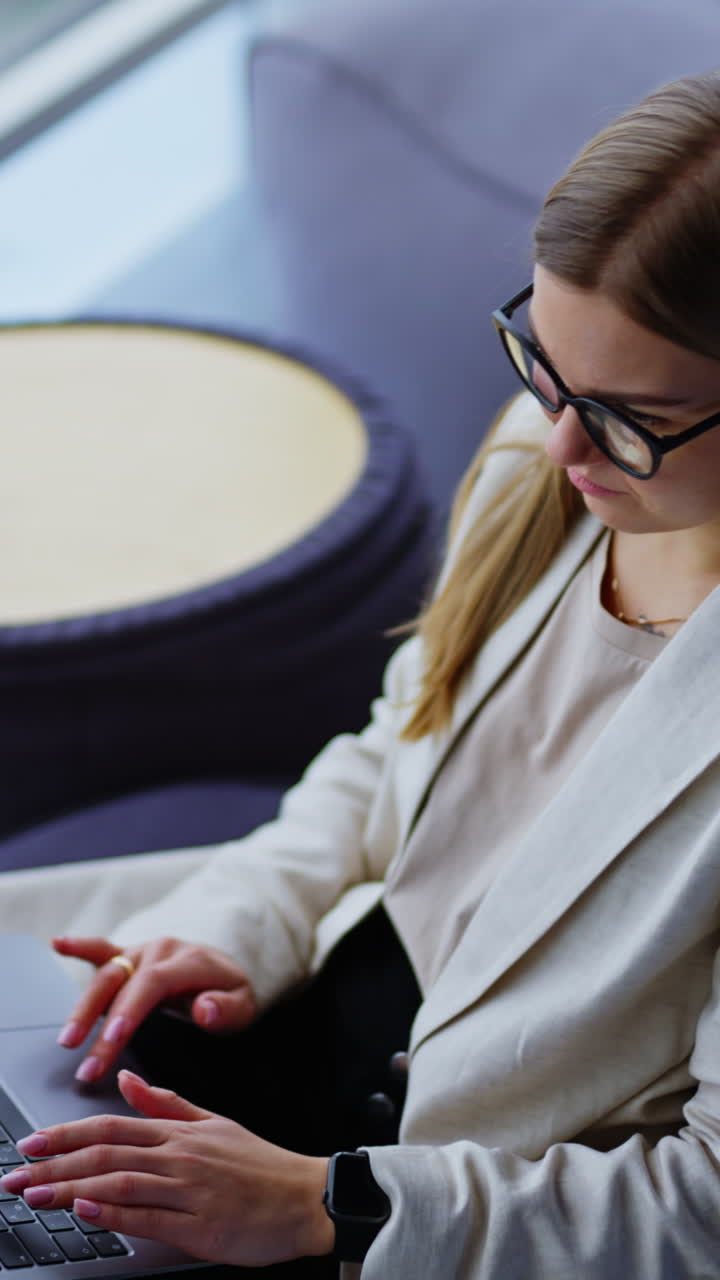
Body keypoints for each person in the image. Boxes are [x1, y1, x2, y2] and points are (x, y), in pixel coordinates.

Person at [3, 69, 720, 1278]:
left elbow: (700, 1203)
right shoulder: (551, 465)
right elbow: (405, 735)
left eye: (627, 413)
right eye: (538, 361)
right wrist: (244, 921)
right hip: (337, 1042)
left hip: (467, 1201)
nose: (557, 442)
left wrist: (331, 1205)